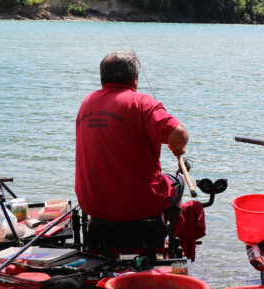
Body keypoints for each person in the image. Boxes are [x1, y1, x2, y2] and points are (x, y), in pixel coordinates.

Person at [75, 51, 189, 223]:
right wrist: (178, 148)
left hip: (92, 203)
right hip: (140, 204)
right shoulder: (143, 103)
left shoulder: (87, 102)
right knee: (178, 180)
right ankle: (172, 230)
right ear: (134, 77)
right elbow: (180, 135)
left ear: (102, 76)